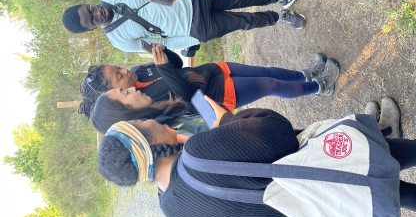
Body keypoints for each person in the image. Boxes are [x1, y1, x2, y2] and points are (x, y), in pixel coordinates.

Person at [97, 104, 416, 217]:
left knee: (398, 196)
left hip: (321, 208)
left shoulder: (172, 210)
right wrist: (228, 122)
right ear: (147, 143)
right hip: (328, 169)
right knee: (405, 153)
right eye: (143, 123)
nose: (152, 119)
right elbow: (277, 130)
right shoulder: (197, 154)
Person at [89, 45, 341, 133]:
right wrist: (164, 68)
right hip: (218, 93)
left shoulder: (141, 73)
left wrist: (163, 56)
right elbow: (186, 101)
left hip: (212, 71)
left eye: (119, 68)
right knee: (269, 85)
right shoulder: (153, 113)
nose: (125, 72)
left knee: (267, 71)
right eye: (119, 79)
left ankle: (306, 74)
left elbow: (176, 65)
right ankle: (319, 87)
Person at [61, 0, 307, 52]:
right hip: (194, 28)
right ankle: (280, 17)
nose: (97, 14)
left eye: (91, 9)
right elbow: (161, 44)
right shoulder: (119, 40)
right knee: (244, 22)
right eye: (92, 21)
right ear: (91, 29)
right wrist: (194, 39)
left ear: (87, 3)